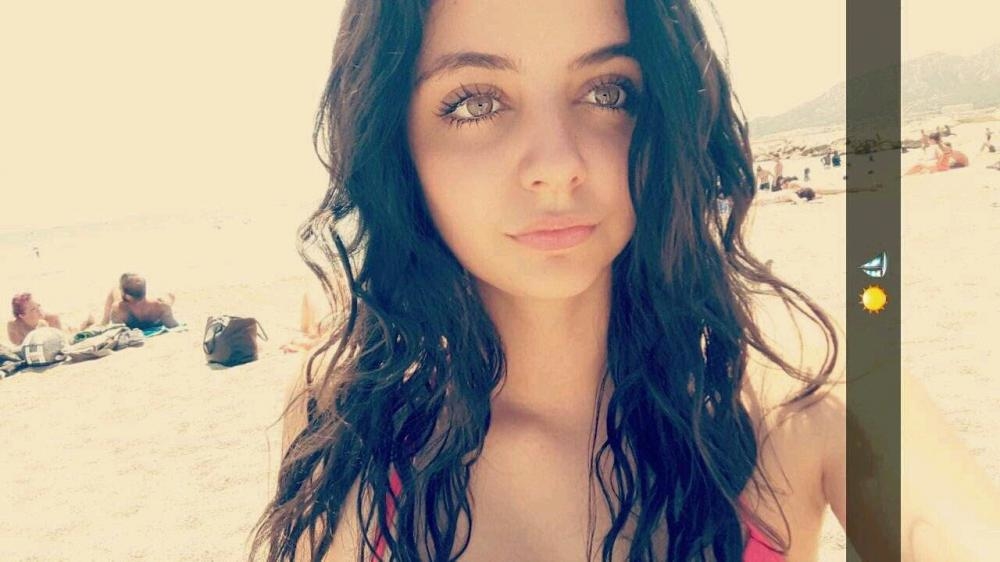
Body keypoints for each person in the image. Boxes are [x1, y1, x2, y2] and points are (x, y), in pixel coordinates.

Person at [252, 1, 1000, 561]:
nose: (557, 164)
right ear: (397, 142)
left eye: (608, 92)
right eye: (476, 102)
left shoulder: (803, 399)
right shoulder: (351, 419)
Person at [101, 273, 179, 330]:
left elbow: (117, 331)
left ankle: (104, 321)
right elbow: (173, 325)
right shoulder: (161, 306)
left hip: (133, 312)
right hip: (153, 309)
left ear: (127, 296)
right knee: (167, 299)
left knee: (114, 289)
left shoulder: (118, 309)